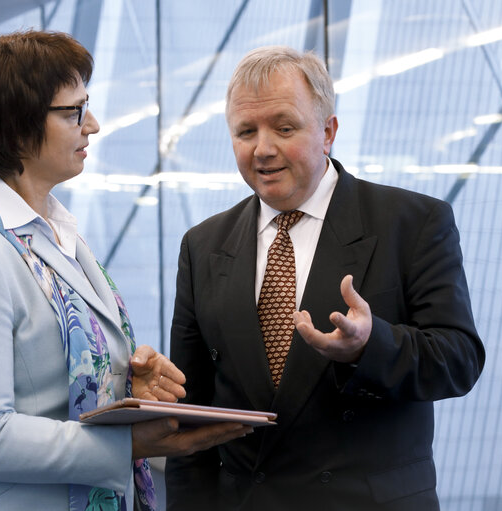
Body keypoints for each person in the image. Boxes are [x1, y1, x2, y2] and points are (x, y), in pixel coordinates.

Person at [0, 31, 252, 511]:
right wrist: (131, 444)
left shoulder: (53, 233)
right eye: (73, 112)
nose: (91, 124)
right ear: (14, 127)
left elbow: (52, 382)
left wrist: (130, 385)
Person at [164, 45, 485, 510]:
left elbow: (459, 361)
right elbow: (190, 414)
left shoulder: (412, 222)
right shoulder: (202, 245)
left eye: (284, 127)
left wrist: (369, 347)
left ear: (328, 131)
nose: (263, 148)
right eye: (245, 131)